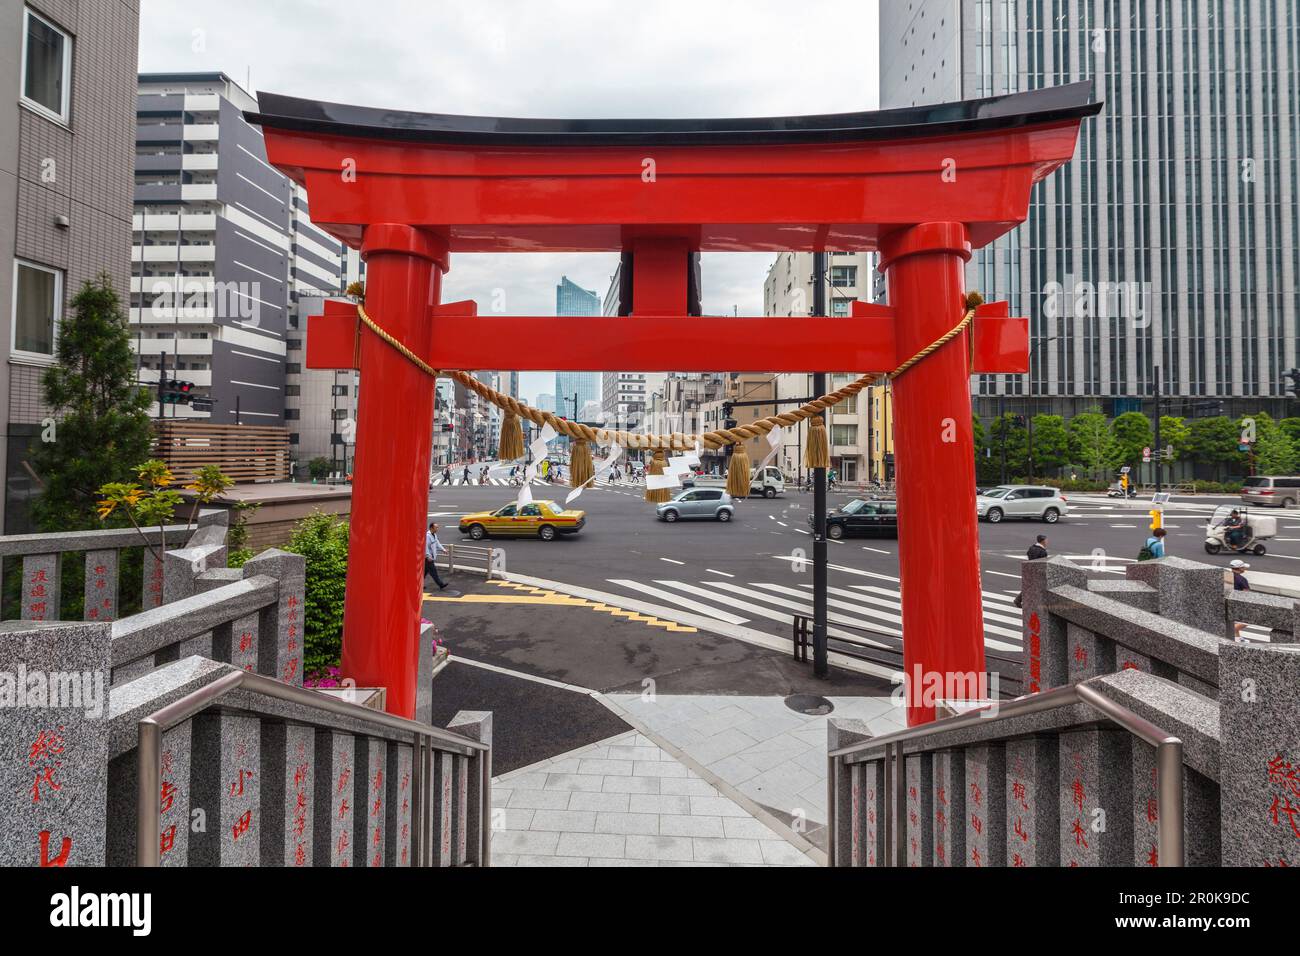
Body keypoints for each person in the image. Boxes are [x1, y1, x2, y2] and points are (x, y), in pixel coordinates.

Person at [1013, 535, 1048, 608]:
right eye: (1046, 540)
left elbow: (1028, 555)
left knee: (1029, 587)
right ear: (1043, 541)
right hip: (1037, 572)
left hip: (1029, 570)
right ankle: (1020, 600)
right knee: (1036, 587)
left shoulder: (1032, 547)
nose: (1047, 542)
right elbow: (1043, 563)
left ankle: (1019, 600)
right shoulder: (1043, 551)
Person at [1230, 559, 1251, 640]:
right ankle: (1230, 631)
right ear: (1240, 568)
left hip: (1228, 602)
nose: (1244, 568)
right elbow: (1246, 594)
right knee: (1246, 621)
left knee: (1232, 621)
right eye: (1243, 567)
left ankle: (1237, 639)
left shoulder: (1227, 575)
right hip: (1238, 604)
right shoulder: (1242, 579)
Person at [424, 522, 448, 590]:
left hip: (431, 557)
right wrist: (428, 556)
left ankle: (418, 584)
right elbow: (425, 547)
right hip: (428, 557)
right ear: (431, 528)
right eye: (436, 527)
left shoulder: (434, 534)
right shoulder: (427, 536)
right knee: (433, 572)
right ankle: (441, 584)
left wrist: (443, 550)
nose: (437, 529)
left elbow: (437, 543)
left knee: (424, 572)